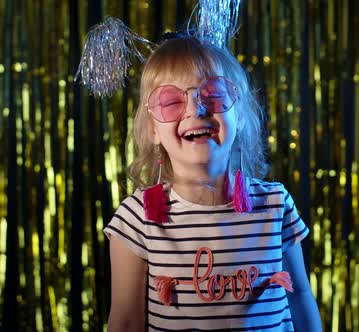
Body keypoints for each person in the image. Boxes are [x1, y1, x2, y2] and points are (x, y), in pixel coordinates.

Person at [103, 34, 322, 331]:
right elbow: (126, 322)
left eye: (214, 95)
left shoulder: (275, 205)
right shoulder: (137, 219)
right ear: (153, 128)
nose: (196, 110)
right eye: (170, 102)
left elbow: (300, 300)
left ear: (240, 115)